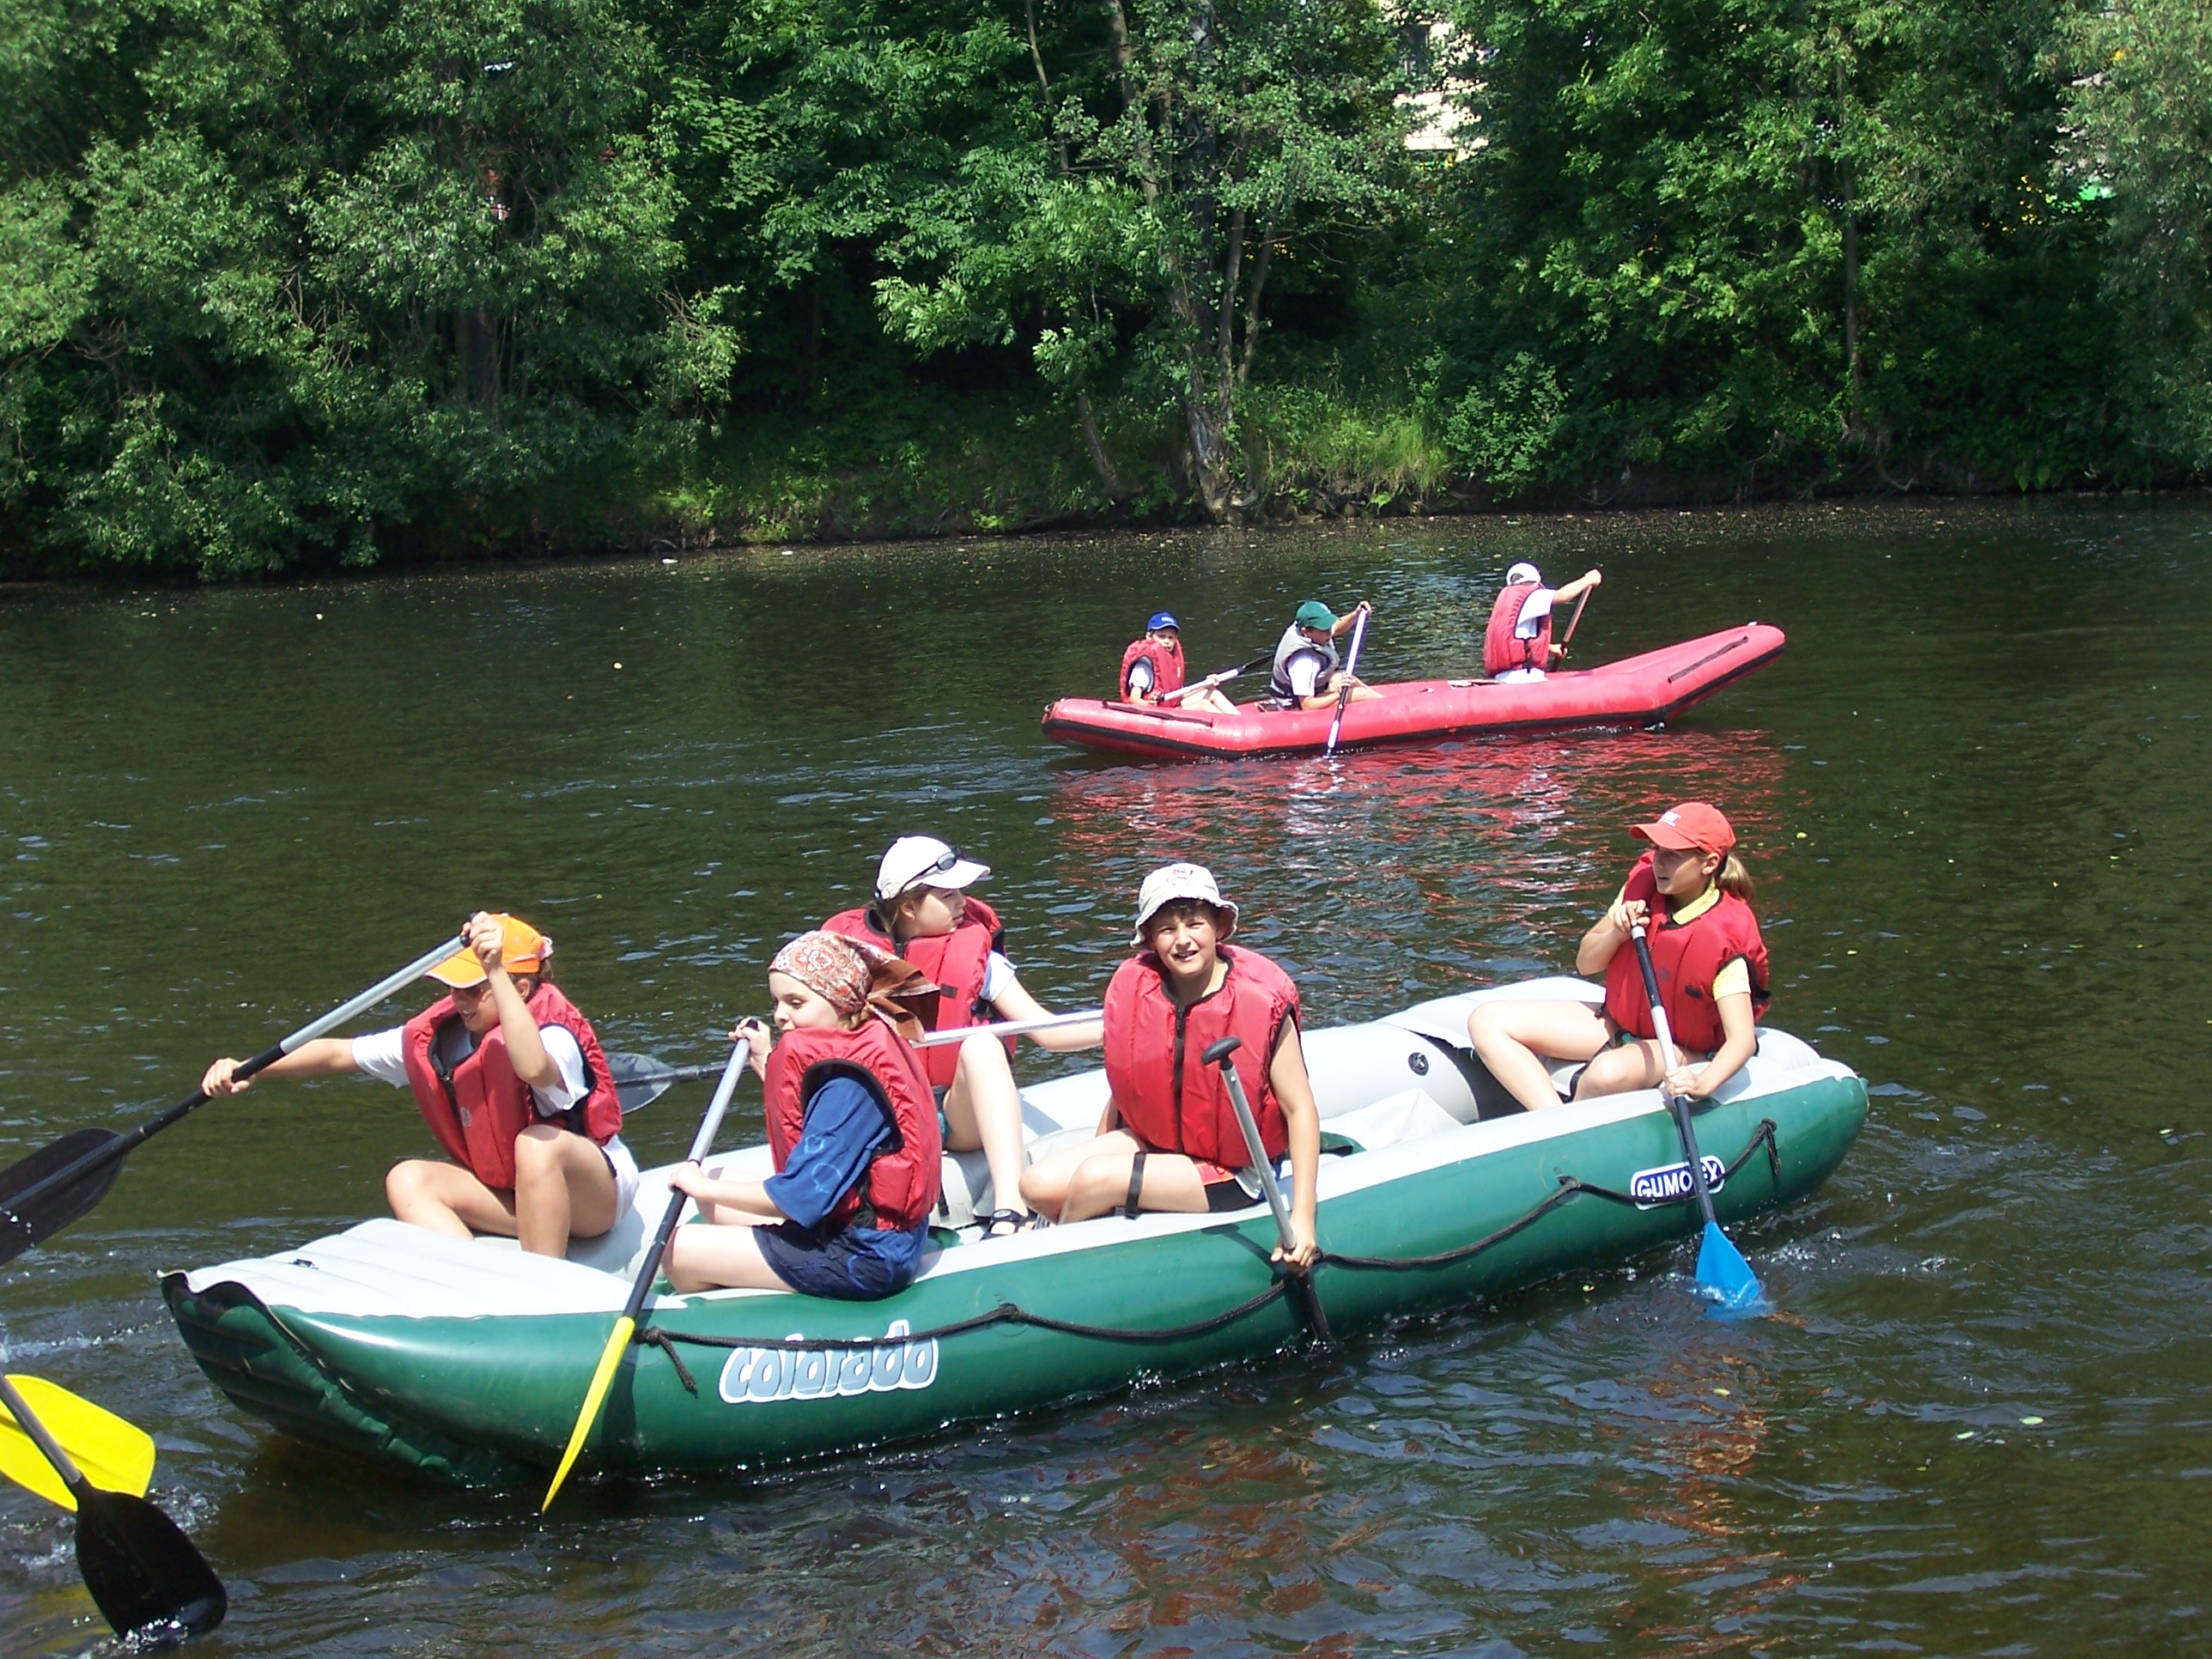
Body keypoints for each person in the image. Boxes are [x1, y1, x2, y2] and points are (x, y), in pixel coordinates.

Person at [198, 912, 634, 1257]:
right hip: (520, 1200)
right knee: (408, 1179)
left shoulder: (553, 1035)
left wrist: (495, 972)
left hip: (595, 1199)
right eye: (454, 989)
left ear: (519, 988)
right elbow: (338, 1054)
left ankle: (543, 1293)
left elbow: (532, 1068)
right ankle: (482, 1280)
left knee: (537, 1144)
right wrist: (250, 1069)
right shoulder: (444, 1038)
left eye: (472, 989)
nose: (458, 1000)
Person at [1019, 864, 1321, 1269]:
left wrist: (1304, 1217)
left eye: (1195, 924)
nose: (1183, 941)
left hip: (1234, 1169)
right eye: (1167, 930)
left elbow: (1299, 1109)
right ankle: (1100, 1235)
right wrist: (1101, 1148)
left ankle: (1058, 1270)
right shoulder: (1139, 990)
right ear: (1150, 940)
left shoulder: (1260, 1001)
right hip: (1159, 1141)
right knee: (1035, 1184)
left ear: (1218, 927)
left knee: (1096, 1180)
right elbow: (1133, 1082)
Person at [823, 836, 1101, 1237]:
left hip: (953, 1116)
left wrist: (1127, 1022)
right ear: (908, 905)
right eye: (949, 895)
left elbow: (1047, 1032)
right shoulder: (846, 959)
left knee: (983, 1044)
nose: (963, 905)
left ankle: (1010, 1206)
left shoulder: (979, 959)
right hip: (883, 1118)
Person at [662, 932, 940, 1298]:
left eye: (796, 1003)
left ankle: (721, 1321)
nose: (780, 1015)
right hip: (848, 1225)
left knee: (677, 1249)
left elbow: (801, 1198)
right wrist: (765, 1057)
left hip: (866, 1254)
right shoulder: (861, 1041)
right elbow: (811, 1108)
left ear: (841, 1002)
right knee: (715, 1188)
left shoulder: (850, 1088)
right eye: (777, 1002)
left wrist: (701, 1186)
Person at [1467, 803, 1769, 1114]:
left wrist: (1703, 1083)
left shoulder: (1723, 934)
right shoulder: (1641, 891)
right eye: (1657, 850)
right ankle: (1556, 1122)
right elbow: (1586, 963)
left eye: (1673, 855)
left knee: (1604, 1075)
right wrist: (1618, 933)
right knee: (1487, 1022)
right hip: (1619, 1022)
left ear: (1709, 863)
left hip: (1684, 1046)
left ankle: (1564, 1131)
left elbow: (1742, 1039)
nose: (1659, 863)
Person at [1482, 562, 1602, 680]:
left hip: (1503, 677)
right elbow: (1562, 596)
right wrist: (1589, 579)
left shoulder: (1507, 600)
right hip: (1524, 677)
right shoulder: (1532, 595)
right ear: (1537, 581)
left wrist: (1549, 648)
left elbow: (1518, 637)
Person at [1269, 599, 1381, 710]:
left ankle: (1382, 701)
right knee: (1357, 693)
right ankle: (1386, 710)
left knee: (1345, 677)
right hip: (1294, 705)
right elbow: (1307, 705)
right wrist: (1339, 694)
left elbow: (1336, 628)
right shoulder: (1304, 662)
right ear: (1306, 632)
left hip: (1314, 690)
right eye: (1324, 629)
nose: (1329, 632)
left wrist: (1356, 614)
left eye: (1328, 626)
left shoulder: (1308, 629)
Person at [1119, 611, 1237, 714]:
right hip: (1158, 713)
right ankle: (1234, 730)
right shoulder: (1144, 665)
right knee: (1204, 705)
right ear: (1149, 636)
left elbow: (1176, 693)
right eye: (1162, 636)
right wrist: (1148, 705)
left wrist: (1206, 684)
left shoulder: (1170, 659)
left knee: (1212, 693)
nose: (1167, 641)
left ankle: (1240, 721)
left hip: (1170, 705)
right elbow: (1134, 698)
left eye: (1171, 638)